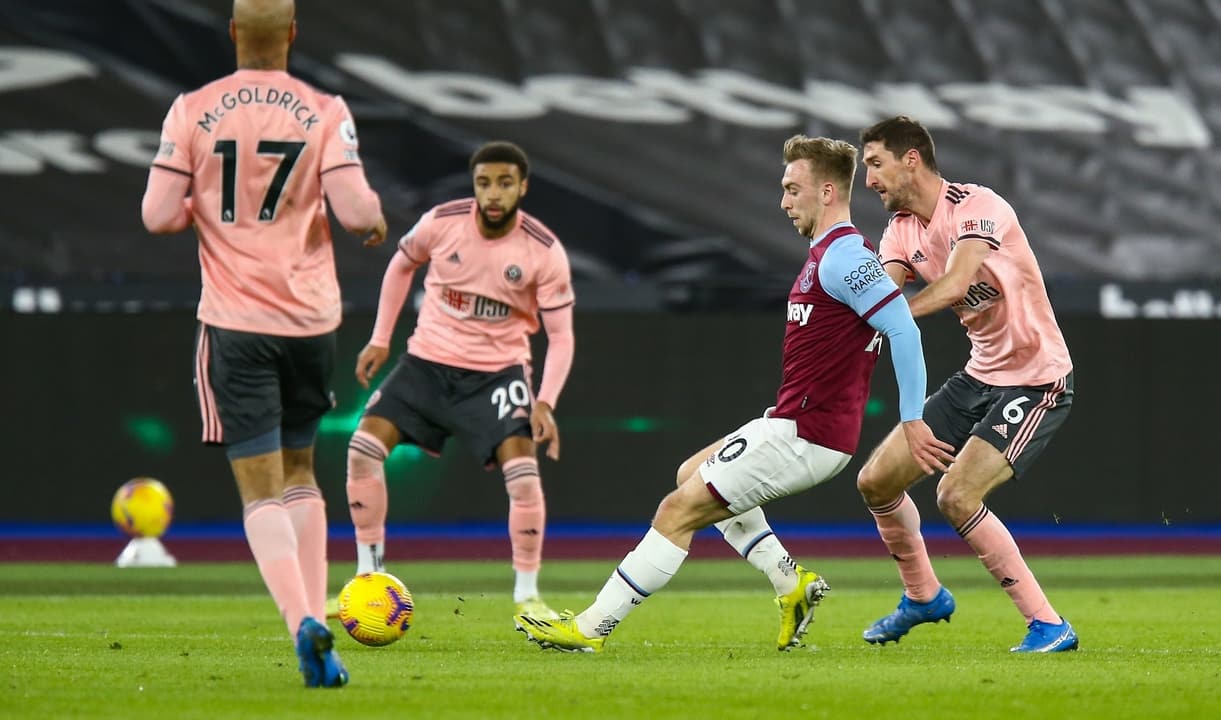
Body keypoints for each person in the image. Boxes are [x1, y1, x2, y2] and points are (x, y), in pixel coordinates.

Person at [513, 135, 953, 653]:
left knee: (675, 511)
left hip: (808, 434)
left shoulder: (845, 258)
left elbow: (903, 329)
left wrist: (911, 419)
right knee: (688, 475)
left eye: (793, 189)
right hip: (792, 422)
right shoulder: (825, 256)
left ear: (829, 191)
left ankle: (589, 629)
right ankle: (791, 584)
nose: (784, 202)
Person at [140, 0, 388, 687]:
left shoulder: (191, 109)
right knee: (303, 473)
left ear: (231, 34)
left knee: (259, 491)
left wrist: (208, 209)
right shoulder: (324, 109)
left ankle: (300, 623)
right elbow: (358, 210)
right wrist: (371, 224)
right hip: (310, 323)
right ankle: (322, 624)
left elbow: (158, 214)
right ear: (292, 36)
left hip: (235, 322)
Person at [855, 115, 1078, 653]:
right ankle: (923, 595)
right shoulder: (900, 229)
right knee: (876, 482)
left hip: (1036, 380)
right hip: (978, 376)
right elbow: (883, 292)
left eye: (875, 164)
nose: (869, 180)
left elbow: (955, 282)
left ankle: (1049, 625)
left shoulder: (978, 206)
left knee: (956, 494)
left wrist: (891, 317)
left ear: (912, 159)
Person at [341, 140, 575, 621]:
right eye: (484, 182)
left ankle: (528, 595)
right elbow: (401, 264)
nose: (493, 194)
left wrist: (545, 402)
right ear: (473, 185)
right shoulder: (441, 222)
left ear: (523, 187)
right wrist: (381, 339)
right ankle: (368, 579)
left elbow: (561, 336)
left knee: (524, 478)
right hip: (426, 364)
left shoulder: (543, 250)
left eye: (505, 183)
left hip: (497, 377)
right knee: (362, 451)